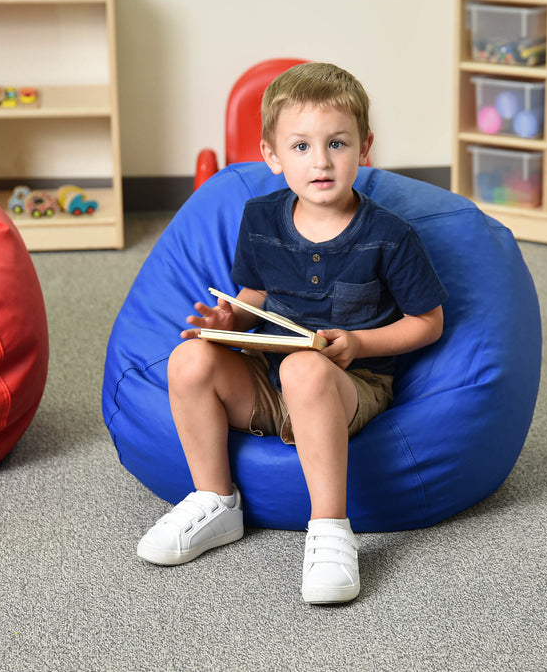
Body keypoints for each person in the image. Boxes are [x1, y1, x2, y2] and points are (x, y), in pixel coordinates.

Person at [136, 62, 447, 604]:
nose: (321, 161)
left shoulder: (390, 237)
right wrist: (231, 322)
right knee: (187, 359)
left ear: (364, 148)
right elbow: (254, 297)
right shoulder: (260, 219)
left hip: (353, 383)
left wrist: (361, 344)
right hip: (270, 375)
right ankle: (215, 501)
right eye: (300, 147)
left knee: (307, 369)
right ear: (273, 157)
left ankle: (329, 527)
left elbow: (429, 322)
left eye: (337, 143)